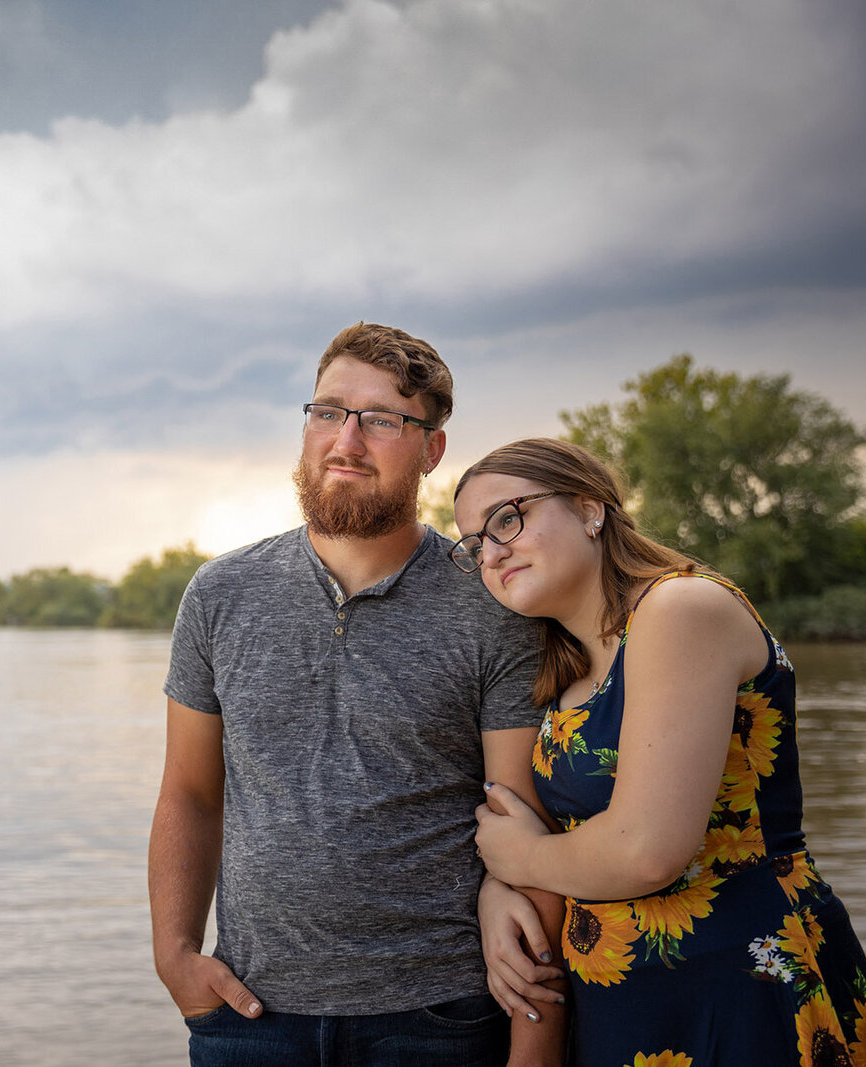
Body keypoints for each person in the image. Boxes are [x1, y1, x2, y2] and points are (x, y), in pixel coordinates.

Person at [149, 323, 568, 1067]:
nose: (346, 440)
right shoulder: (220, 594)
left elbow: (525, 824)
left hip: (439, 1017)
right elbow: (189, 792)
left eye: (381, 420)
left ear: (432, 449)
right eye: (327, 412)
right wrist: (176, 957)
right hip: (249, 1013)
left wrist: (534, 1045)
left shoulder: (490, 602)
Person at [455, 437, 866, 1066]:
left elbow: (647, 851)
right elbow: (571, 832)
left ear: (590, 509)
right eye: (473, 545)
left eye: (508, 518)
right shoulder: (570, 667)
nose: (491, 552)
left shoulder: (680, 608)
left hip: (744, 985)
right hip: (622, 999)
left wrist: (520, 857)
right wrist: (498, 888)